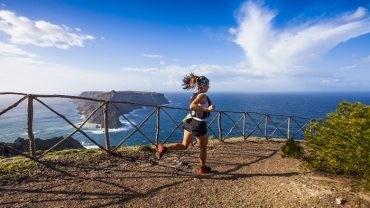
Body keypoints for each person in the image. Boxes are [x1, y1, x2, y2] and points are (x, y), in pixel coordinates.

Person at [156, 73, 215, 174]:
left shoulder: (194, 95)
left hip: (190, 121)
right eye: (207, 85)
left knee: (184, 145)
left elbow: (192, 106)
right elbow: (192, 106)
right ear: (202, 85)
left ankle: (165, 148)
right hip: (199, 124)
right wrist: (207, 109)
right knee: (203, 147)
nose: (209, 87)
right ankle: (202, 168)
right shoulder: (202, 95)